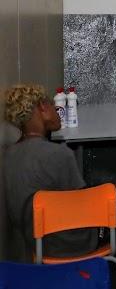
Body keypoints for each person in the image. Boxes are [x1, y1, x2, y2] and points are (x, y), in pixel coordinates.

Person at [3, 84, 99, 260]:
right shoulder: (59, 154)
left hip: (37, 244)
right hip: (75, 244)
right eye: (52, 105)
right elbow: (83, 209)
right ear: (42, 107)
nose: (57, 110)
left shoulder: (9, 154)